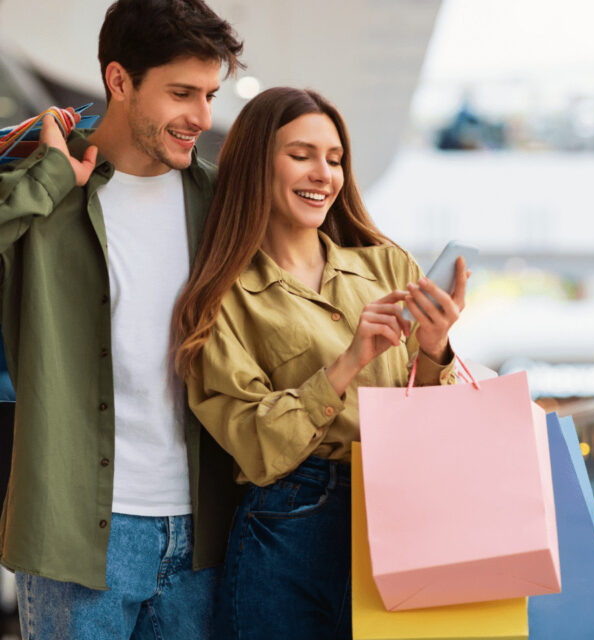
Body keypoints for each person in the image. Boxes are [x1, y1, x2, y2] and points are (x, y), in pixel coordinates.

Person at [171, 87, 467, 638]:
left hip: (402, 509)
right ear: (257, 162)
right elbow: (255, 444)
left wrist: (434, 350)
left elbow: (434, 421)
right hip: (291, 526)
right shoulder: (222, 298)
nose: (323, 175)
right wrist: (348, 362)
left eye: (334, 159)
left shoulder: (387, 266)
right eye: (301, 155)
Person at [0, 0, 243, 637]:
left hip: (203, 534)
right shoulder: (44, 188)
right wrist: (49, 179)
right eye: (182, 93)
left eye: (210, 94)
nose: (202, 117)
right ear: (118, 81)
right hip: (76, 537)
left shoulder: (221, 204)